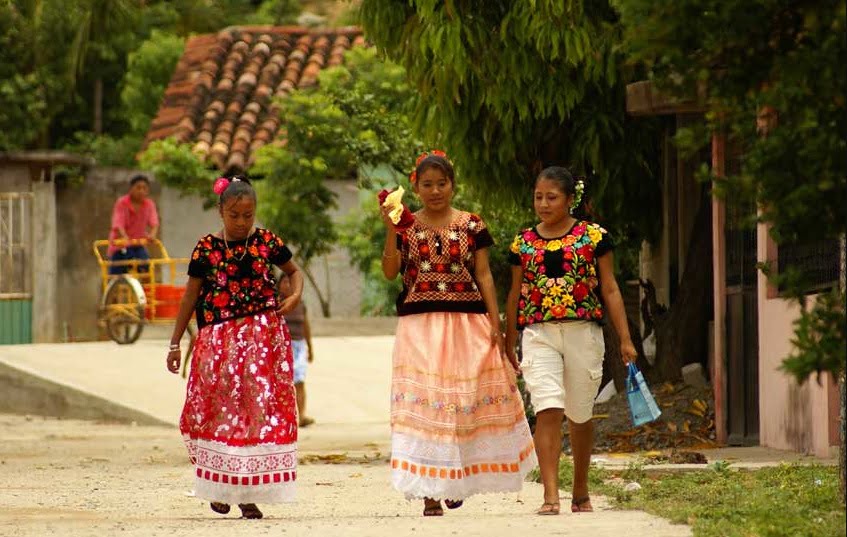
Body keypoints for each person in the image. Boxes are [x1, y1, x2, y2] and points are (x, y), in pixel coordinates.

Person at [380, 150, 537, 517]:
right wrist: (390, 230)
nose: (435, 191)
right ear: (416, 186)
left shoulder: (472, 225)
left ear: (453, 184)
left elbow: (483, 275)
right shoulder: (405, 225)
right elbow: (390, 272)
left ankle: (458, 478)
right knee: (428, 400)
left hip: (468, 321)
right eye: (427, 184)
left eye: (442, 183)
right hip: (419, 324)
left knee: (464, 400)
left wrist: (496, 325)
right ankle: (430, 492)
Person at [166, 175, 304, 520]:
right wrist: (174, 342)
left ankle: (246, 494)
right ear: (220, 211)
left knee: (255, 411)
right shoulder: (207, 249)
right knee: (219, 409)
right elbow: (191, 296)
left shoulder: (267, 242)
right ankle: (219, 488)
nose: (242, 222)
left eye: (248, 215)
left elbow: (294, 271)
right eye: (234, 215)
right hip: (218, 341)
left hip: (261, 339)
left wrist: (295, 293)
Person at [505, 166, 637, 515]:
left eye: (552, 197)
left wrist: (625, 338)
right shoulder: (523, 243)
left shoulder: (594, 237)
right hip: (538, 334)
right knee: (547, 408)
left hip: (584, 333)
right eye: (538, 197)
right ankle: (551, 495)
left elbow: (609, 288)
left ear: (569, 199)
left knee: (580, 413)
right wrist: (508, 338)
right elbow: (515, 293)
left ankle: (580, 489)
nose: (544, 204)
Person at [278, 272, 315, 427]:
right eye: (284, 282)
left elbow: (306, 325)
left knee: (299, 381)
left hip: (299, 346)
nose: (287, 285)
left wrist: (310, 347)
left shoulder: (300, 304)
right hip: (282, 347)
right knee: (282, 384)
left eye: (290, 282)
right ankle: (284, 417)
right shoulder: (276, 304)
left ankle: (302, 415)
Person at [108, 174, 159, 275]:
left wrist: (152, 235)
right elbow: (118, 225)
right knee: (117, 272)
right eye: (138, 187)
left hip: (138, 244)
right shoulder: (122, 203)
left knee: (146, 266)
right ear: (131, 189)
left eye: (144, 188)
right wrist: (124, 237)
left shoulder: (149, 204)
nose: (141, 191)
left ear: (147, 191)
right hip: (120, 245)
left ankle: (143, 288)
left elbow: (154, 223)